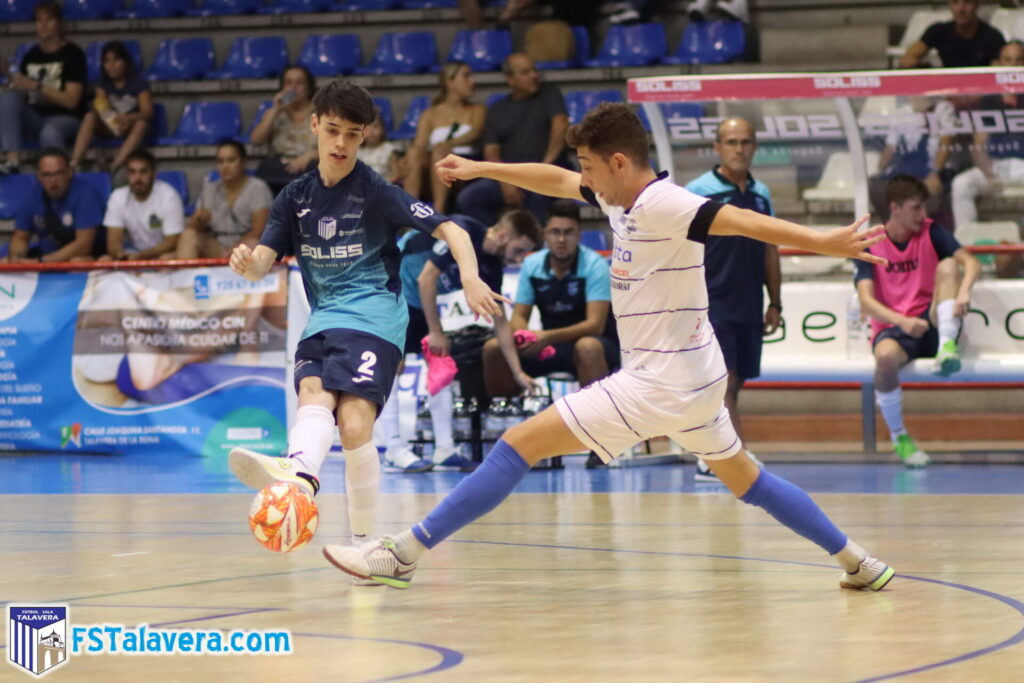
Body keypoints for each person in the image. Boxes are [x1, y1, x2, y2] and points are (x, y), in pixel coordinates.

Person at [322, 102, 896, 596]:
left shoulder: (667, 204)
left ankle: (401, 553)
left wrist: (824, 239)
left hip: (659, 384)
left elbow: (742, 221)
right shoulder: (621, 195)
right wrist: (481, 167)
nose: (585, 180)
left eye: (591, 168)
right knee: (750, 482)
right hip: (697, 380)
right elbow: (553, 180)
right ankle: (859, 564)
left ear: (618, 162)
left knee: (518, 444)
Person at [225, 79, 506, 582]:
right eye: (332, 131)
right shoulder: (293, 198)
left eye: (352, 135)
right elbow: (262, 263)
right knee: (314, 394)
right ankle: (302, 479)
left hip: (375, 314)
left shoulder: (376, 192)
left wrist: (468, 275)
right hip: (324, 316)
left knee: (354, 421)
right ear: (314, 125)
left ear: (363, 138)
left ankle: (358, 538)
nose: (340, 144)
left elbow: (453, 229)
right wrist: (246, 262)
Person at [855, 174, 981, 468]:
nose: (923, 215)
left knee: (949, 264)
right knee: (884, 359)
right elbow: (866, 301)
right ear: (895, 208)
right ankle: (900, 437)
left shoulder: (931, 231)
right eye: (916, 208)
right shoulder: (869, 244)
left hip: (935, 320)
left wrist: (963, 292)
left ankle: (947, 347)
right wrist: (901, 321)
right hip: (897, 327)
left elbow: (971, 262)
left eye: (924, 207)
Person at [481, 200, 617, 468]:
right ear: (545, 234)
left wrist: (545, 336)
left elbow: (595, 325)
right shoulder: (533, 266)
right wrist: (524, 335)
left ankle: (599, 442)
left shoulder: (594, 265)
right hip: (550, 345)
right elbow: (519, 317)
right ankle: (508, 429)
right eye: (555, 232)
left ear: (578, 235)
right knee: (494, 348)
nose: (562, 239)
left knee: (587, 346)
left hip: (594, 347)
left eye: (568, 232)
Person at [685, 118, 778, 482]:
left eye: (746, 141)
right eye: (732, 142)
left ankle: (717, 452)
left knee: (735, 382)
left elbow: (770, 249)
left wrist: (776, 301)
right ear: (717, 148)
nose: (739, 148)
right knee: (723, 379)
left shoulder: (761, 193)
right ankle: (727, 456)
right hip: (709, 303)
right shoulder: (697, 190)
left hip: (749, 301)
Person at [415, 209, 543, 471]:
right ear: (505, 234)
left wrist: (518, 372)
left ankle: (444, 449)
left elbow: (500, 321)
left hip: (423, 298)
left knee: (442, 363)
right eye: (519, 250)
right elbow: (425, 278)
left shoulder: (492, 263)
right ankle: (394, 446)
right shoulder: (462, 230)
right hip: (404, 284)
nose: (518, 259)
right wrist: (435, 330)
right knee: (406, 362)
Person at [454, 53, 568, 226]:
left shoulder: (550, 93)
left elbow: (560, 128)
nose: (534, 75)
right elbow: (491, 151)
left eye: (534, 70)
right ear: (510, 79)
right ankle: (494, 245)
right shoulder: (497, 110)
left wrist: (545, 166)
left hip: (547, 171)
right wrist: (505, 181)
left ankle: (534, 251)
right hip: (510, 176)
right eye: (525, 72)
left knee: (540, 195)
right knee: (468, 198)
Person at [0, 1, 86, 175]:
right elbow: (23, 94)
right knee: (7, 99)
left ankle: (59, 175)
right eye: (39, 20)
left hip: (68, 118)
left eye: (49, 20)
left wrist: (37, 86)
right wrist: (11, 77)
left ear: (59, 23)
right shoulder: (31, 56)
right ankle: (12, 160)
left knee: (50, 131)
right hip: (37, 116)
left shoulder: (73, 54)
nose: (43, 25)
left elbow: (72, 101)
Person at [950, 41, 1024, 230]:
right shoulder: (988, 101)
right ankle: (968, 245)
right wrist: (988, 172)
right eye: (1008, 60)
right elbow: (979, 143)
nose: (1013, 66)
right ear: (998, 64)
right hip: (996, 166)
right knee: (961, 184)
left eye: (1019, 61)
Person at [404, 61, 486, 213]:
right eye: (466, 76)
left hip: (463, 168)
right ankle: (410, 213)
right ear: (450, 81)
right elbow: (420, 145)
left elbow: (476, 132)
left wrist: (450, 143)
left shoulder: (477, 109)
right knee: (414, 152)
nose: (472, 81)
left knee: (440, 153)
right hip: (434, 172)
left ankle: (438, 213)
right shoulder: (430, 114)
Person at [0, 147, 102, 263]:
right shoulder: (32, 196)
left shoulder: (86, 194)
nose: (53, 181)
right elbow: (21, 238)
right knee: (5, 262)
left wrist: (40, 262)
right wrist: (16, 257)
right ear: (39, 176)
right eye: (47, 175)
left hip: (80, 258)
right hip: (45, 256)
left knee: (78, 261)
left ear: (70, 172)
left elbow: (83, 245)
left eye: (58, 173)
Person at [176, 140, 274, 259]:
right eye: (220, 161)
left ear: (243, 162)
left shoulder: (258, 188)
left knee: (254, 244)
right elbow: (194, 226)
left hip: (246, 245)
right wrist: (198, 220)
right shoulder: (210, 189)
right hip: (217, 246)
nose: (225, 166)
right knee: (188, 236)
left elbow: (259, 230)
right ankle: (189, 277)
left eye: (231, 160)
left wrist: (233, 250)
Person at [69, 40, 153, 175]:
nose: (111, 65)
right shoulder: (102, 84)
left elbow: (147, 111)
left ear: (125, 62)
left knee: (141, 124)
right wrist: (114, 122)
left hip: (130, 126)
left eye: (116, 60)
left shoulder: (139, 83)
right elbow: (102, 108)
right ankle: (74, 164)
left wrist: (128, 118)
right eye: (107, 61)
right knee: (90, 115)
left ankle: (114, 166)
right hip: (110, 124)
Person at [99, 149, 184, 261]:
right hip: (132, 252)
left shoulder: (169, 196)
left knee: (166, 259)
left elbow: (172, 242)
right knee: (104, 261)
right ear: (127, 174)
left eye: (143, 172)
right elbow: (113, 243)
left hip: (161, 254)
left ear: (153, 173)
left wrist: (141, 257)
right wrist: (121, 256)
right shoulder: (118, 197)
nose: (137, 178)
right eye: (132, 172)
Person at [251, 65, 318, 196]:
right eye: (289, 82)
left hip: (311, 168)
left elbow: (334, 146)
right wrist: (275, 110)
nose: (294, 87)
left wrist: (310, 155)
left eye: (300, 82)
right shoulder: (275, 114)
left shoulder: (323, 113)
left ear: (309, 88)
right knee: (264, 168)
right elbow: (256, 140)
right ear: (282, 88)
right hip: (280, 170)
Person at [900, 0, 1004, 69]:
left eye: (967, 2)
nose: (961, 9)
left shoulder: (992, 37)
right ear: (950, 5)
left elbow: (1002, 73)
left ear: (977, 5)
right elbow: (907, 60)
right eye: (955, 2)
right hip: (947, 91)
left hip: (982, 94)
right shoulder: (938, 31)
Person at [356, 112, 400, 183]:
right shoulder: (358, 150)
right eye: (367, 128)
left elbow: (396, 174)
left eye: (375, 126)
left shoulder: (388, 149)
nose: (371, 131)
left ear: (382, 130)